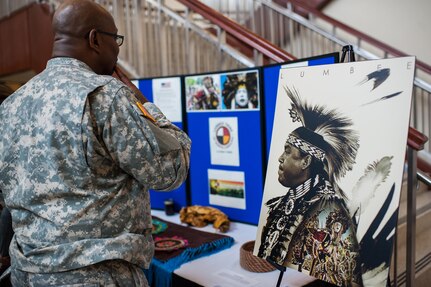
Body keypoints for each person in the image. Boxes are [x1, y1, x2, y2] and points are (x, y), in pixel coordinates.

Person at [0, 0, 191, 286]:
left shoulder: (11, 104)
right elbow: (171, 170)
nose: (117, 49)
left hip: (26, 274)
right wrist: (143, 103)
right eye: (116, 40)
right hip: (96, 275)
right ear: (95, 39)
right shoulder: (106, 95)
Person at [257, 87, 362, 286]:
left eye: (288, 152)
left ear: (305, 162)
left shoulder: (329, 209)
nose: (280, 158)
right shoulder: (279, 204)